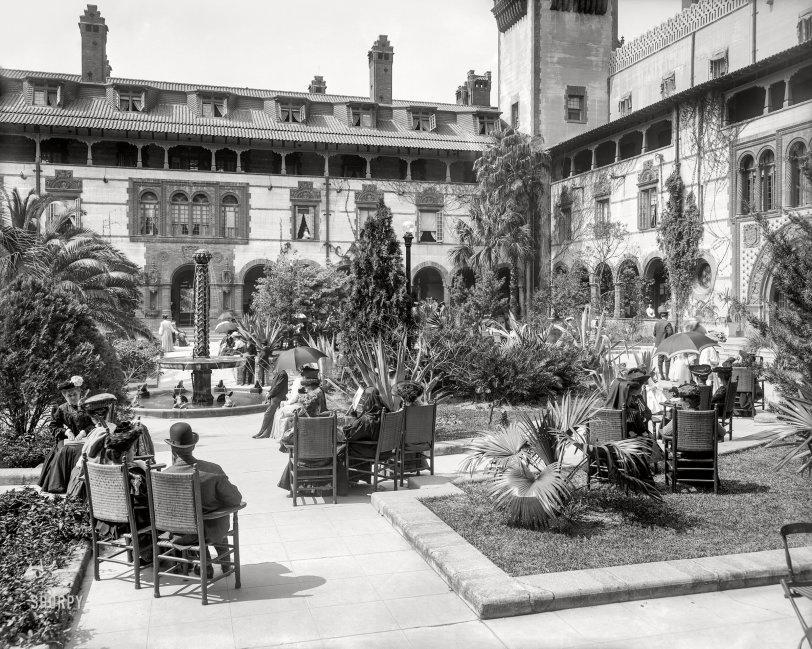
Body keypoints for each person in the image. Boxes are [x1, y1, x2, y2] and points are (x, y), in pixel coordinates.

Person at [164, 423, 243, 578]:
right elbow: (235, 499)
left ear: (172, 448)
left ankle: (204, 564)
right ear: (193, 447)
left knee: (197, 521)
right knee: (214, 515)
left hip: (180, 533)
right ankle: (225, 563)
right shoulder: (212, 470)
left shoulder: (164, 476)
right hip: (211, 531)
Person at [38, 376, 94, 494]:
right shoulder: (61, 409)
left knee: (82, 452)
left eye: (74, 394)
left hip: (88, 439)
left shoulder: (88, 406)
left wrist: (85, 431)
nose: (73, 397)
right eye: (69, 396)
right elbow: (53, 426)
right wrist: (66, 432)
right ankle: (62, 485)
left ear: (79, 392)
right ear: (64, 396)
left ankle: (79, 487)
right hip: (68, 440)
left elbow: (97, 424)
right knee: (63, 452)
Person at [276, 387, 336, 493]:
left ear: (303, 408)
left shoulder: (300, 423)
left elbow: (286, 440)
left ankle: (298, 486)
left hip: (304, 461)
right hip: (324, 461)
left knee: (292, 456)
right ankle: (327, 484)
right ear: (318, 408)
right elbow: (339, 438)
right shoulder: (327, 423)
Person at [344, 387, 388, 484]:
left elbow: (351, 435)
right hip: (386, 450)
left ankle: (349, 480)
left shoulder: (368, 418)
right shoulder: (388, 413)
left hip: (372, 450)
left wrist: (351, 421)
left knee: (344, 448)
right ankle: (358, 477)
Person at [661, 383, 726, 442]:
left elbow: (666, 432)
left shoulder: (679, 417)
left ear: (687, 402)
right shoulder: (710, 416)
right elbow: (723, 433)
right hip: (706, 453)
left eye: (680, 400)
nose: (679, 402)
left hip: (684, 451)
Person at [253, 365, 289, 438]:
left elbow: (278, 387)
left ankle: (261, 432)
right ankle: (267, 433)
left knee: (268, 414)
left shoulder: (283, 374)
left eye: (274, 365)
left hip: (278, 397)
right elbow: (274, 386)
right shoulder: (279, 373)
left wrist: (270, 394)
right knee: (271, 415)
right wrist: (269, 392)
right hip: (275, 396)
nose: (273, 367)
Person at [653, 311, 673, 380]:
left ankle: (661, 376)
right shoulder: (668, 323)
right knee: (667, 360)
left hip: (659, 344)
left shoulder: (657, 323)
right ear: (667, 316)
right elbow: (670, 333)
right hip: (666, 344)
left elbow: (654, 333)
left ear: (661, 316)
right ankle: (667, 376)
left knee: (660, 360)